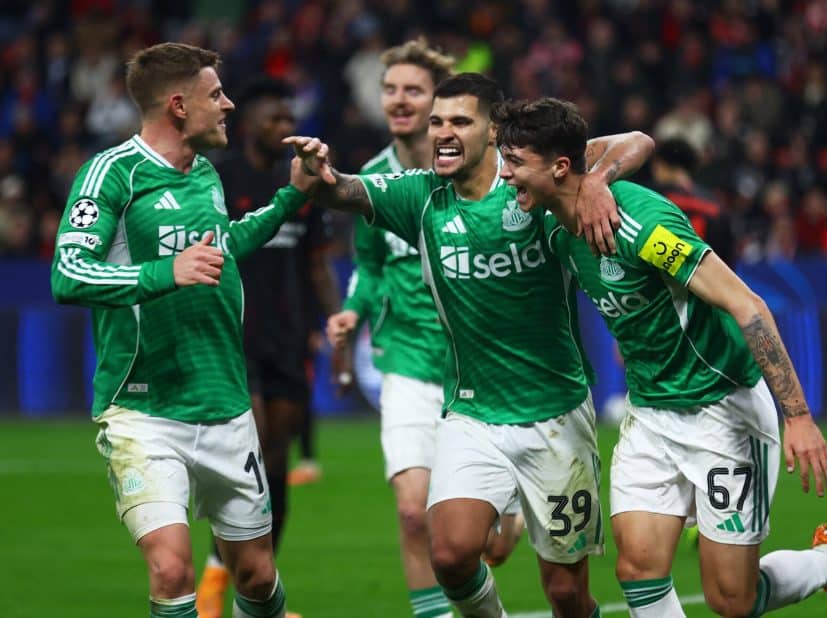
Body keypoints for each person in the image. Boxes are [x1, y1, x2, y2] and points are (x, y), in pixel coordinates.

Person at [491, 97, 827, 618]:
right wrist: (596, 178)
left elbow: (748, 305)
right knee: (638, 569)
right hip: (650, 413)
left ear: (559, 167)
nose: (505, 174)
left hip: (722, 409)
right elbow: (624, 146)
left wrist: (799, 417)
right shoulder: (552, 218)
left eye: (514, 162)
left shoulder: (641, 226)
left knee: (732, 600)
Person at [295, 72, 654, 617]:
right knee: (450, 554)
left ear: (492, 132)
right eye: (437, 121)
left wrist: (599, 180)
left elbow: (638, 142)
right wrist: (314, 172)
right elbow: (339, 189)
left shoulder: (530, 183)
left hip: (556, 413)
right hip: (473, 413)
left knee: (565, 591)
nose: (443, 131)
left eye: (460, 121)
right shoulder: (420, 196)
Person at [50, 42, 328, 618]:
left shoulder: (204, 175)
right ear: (179, 105)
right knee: (172, 569)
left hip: (225, 404)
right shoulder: (112, 174)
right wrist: (164, 272)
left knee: (257, 575)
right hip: (145, 411)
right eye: (216, 95)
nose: (228, 105)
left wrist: (291, 197)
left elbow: (222, 247)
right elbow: (68, 273)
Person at [327, 39, 524, 618]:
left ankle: (510, 516)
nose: (399, 100)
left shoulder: (490, 174)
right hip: (408, 360)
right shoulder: (371, 179)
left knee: (493, 544)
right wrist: (353, 310)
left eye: (413, 90)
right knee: (414, 513)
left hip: (481, 364)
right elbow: (369, 266)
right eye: (390, 90)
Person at [195, 77, 340, 618]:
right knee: (250, 450)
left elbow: (317, 263)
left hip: (289, 335)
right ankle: (215, 578)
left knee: (275, 461)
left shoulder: (301, 182)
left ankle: (254, 590)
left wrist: (335, 322)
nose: (283, 128)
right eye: (273, 119)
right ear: (249, 122)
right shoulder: (220, 178)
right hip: (234, 335)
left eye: (288, 120)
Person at [650, 137, 734, 266]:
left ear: (661, 164)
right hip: (707, 275)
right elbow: (727, 260)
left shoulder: (654, 199)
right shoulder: (717, 206)